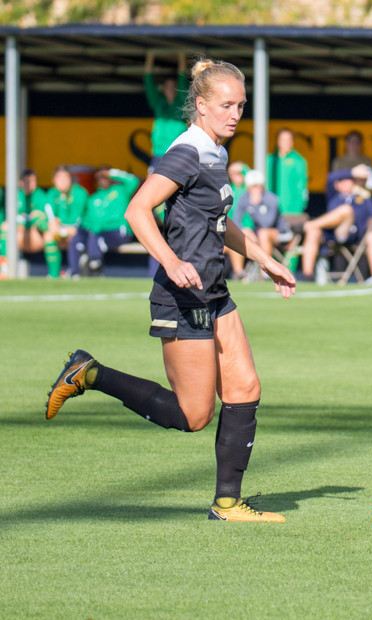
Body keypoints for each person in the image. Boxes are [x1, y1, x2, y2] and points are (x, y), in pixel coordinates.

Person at [45, 56, 296, 522]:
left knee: (245, 387)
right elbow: (138, 210)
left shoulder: (216, 151)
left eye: (241, 105)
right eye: (226, 105)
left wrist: (266, 261)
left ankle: (227, 504)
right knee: (192, 416)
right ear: (201, 105)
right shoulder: (187, 152)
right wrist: (172, 260)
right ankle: (89, 373)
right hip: (182, 297)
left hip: (213, 292)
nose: (235, 114)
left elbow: (219, 221)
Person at [298, 165, 372, 282]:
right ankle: (307, 275)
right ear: (337, 185)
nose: (347, 183)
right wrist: (352, 171)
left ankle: (308, 225)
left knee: (346, 209)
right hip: (329, 234)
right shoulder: (334, 196)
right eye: (343, 181)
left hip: (349, 234)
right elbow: (330, 177)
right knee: (313, 232)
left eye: (350, 180)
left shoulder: (363, 198)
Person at [69, 167, 141, 277]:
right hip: (98, 233)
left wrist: (112, 173)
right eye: (100, 177)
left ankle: (96, 270)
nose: (103, 180)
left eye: (105, 177)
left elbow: (134, 181)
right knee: (78, 238)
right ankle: (74, 273)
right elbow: (87, 221)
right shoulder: (93, 199)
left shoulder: (120, 190)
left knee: (96, 238)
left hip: (118, 231)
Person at [227, 169, 291, 280]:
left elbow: (268, 223)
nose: (255, 189)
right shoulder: (244, 198)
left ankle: (265, 272)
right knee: (237, 234)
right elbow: (236, 220)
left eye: (258, 186)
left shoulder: (271, 199)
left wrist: (255, 205)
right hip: (258, 233)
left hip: (279, 233)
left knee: (263, 233)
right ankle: (239, 273)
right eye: (252, 187)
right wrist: (246, 232)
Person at [39, 166, 89, 278]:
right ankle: (53, 274)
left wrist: (62, 226)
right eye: (59, 178)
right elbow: (46, 216)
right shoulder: (51, 194)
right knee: (48, 235)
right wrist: (51, 223)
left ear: (71, 179)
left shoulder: (80, 193)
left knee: (74, 236)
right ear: (54, 180)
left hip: (80, 231)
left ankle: (75, 271)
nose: (62, 181)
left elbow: (77, 222)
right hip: (61, 231)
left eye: (65, 178)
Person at [144, 51, 188, 170]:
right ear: (163, 89)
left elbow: (182, 77)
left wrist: (181, 54)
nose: (170, 89)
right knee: (152, 179)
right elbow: (148, 81)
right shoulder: (159, 103)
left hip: (177, 152)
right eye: (168, 86)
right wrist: (150, 56)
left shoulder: (182, 103)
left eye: (173, 86)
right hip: (159, 153)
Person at [266, 128, 309, 217]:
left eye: (289, 140)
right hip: (270, 210)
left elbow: (302, 186)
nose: (287, 143)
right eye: (284, 140)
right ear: (278, 141)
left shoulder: (299, 161)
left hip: (292, 211)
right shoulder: (269, 160)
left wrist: (302, 205)